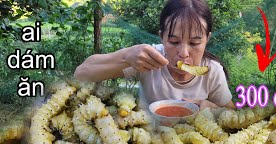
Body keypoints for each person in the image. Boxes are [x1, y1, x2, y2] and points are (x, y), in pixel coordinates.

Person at [74, 0, 236, 110]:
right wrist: (126, 56)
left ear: (207, 39)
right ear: (162, 37)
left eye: (194, 43)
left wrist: (211, 108)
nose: (183, 53)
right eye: (173, 42)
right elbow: (81, 74)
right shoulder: (147, 59)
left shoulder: (212, 71)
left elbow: (232, 114)